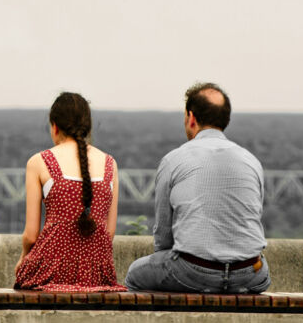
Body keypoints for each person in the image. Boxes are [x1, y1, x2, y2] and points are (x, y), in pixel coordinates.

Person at [125, 82, 271, 293]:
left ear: (191, 117)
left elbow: (164, 236)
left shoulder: (174, 160)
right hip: (251, 273)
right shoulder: (252, 161)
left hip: (193, 272)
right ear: (225, 119)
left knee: (135, 275)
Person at [14, 92, 127, 292]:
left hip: (50, 271)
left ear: (55, 126)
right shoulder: (110, 164)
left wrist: (24, 258)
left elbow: (31, 236)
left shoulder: (39, 162)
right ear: (87, 127)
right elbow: (108, 233)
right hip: (98, 274)